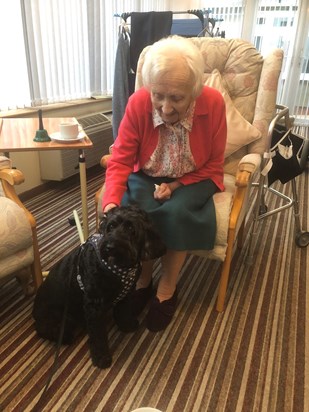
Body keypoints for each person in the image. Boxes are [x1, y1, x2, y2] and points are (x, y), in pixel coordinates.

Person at [102, 35, 227, 332]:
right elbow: (120, 159)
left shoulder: (214, 104)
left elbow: (214, 163)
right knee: (137, 213)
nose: (165, 108)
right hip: (147, 173)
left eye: (177, 98)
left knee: (175, 213)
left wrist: (177, 185)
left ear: (195, 92)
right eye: (158, 95)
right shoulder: (137, 103)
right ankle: (143, 280)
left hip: (196, 176)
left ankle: (167, 288)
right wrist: (110, 203)